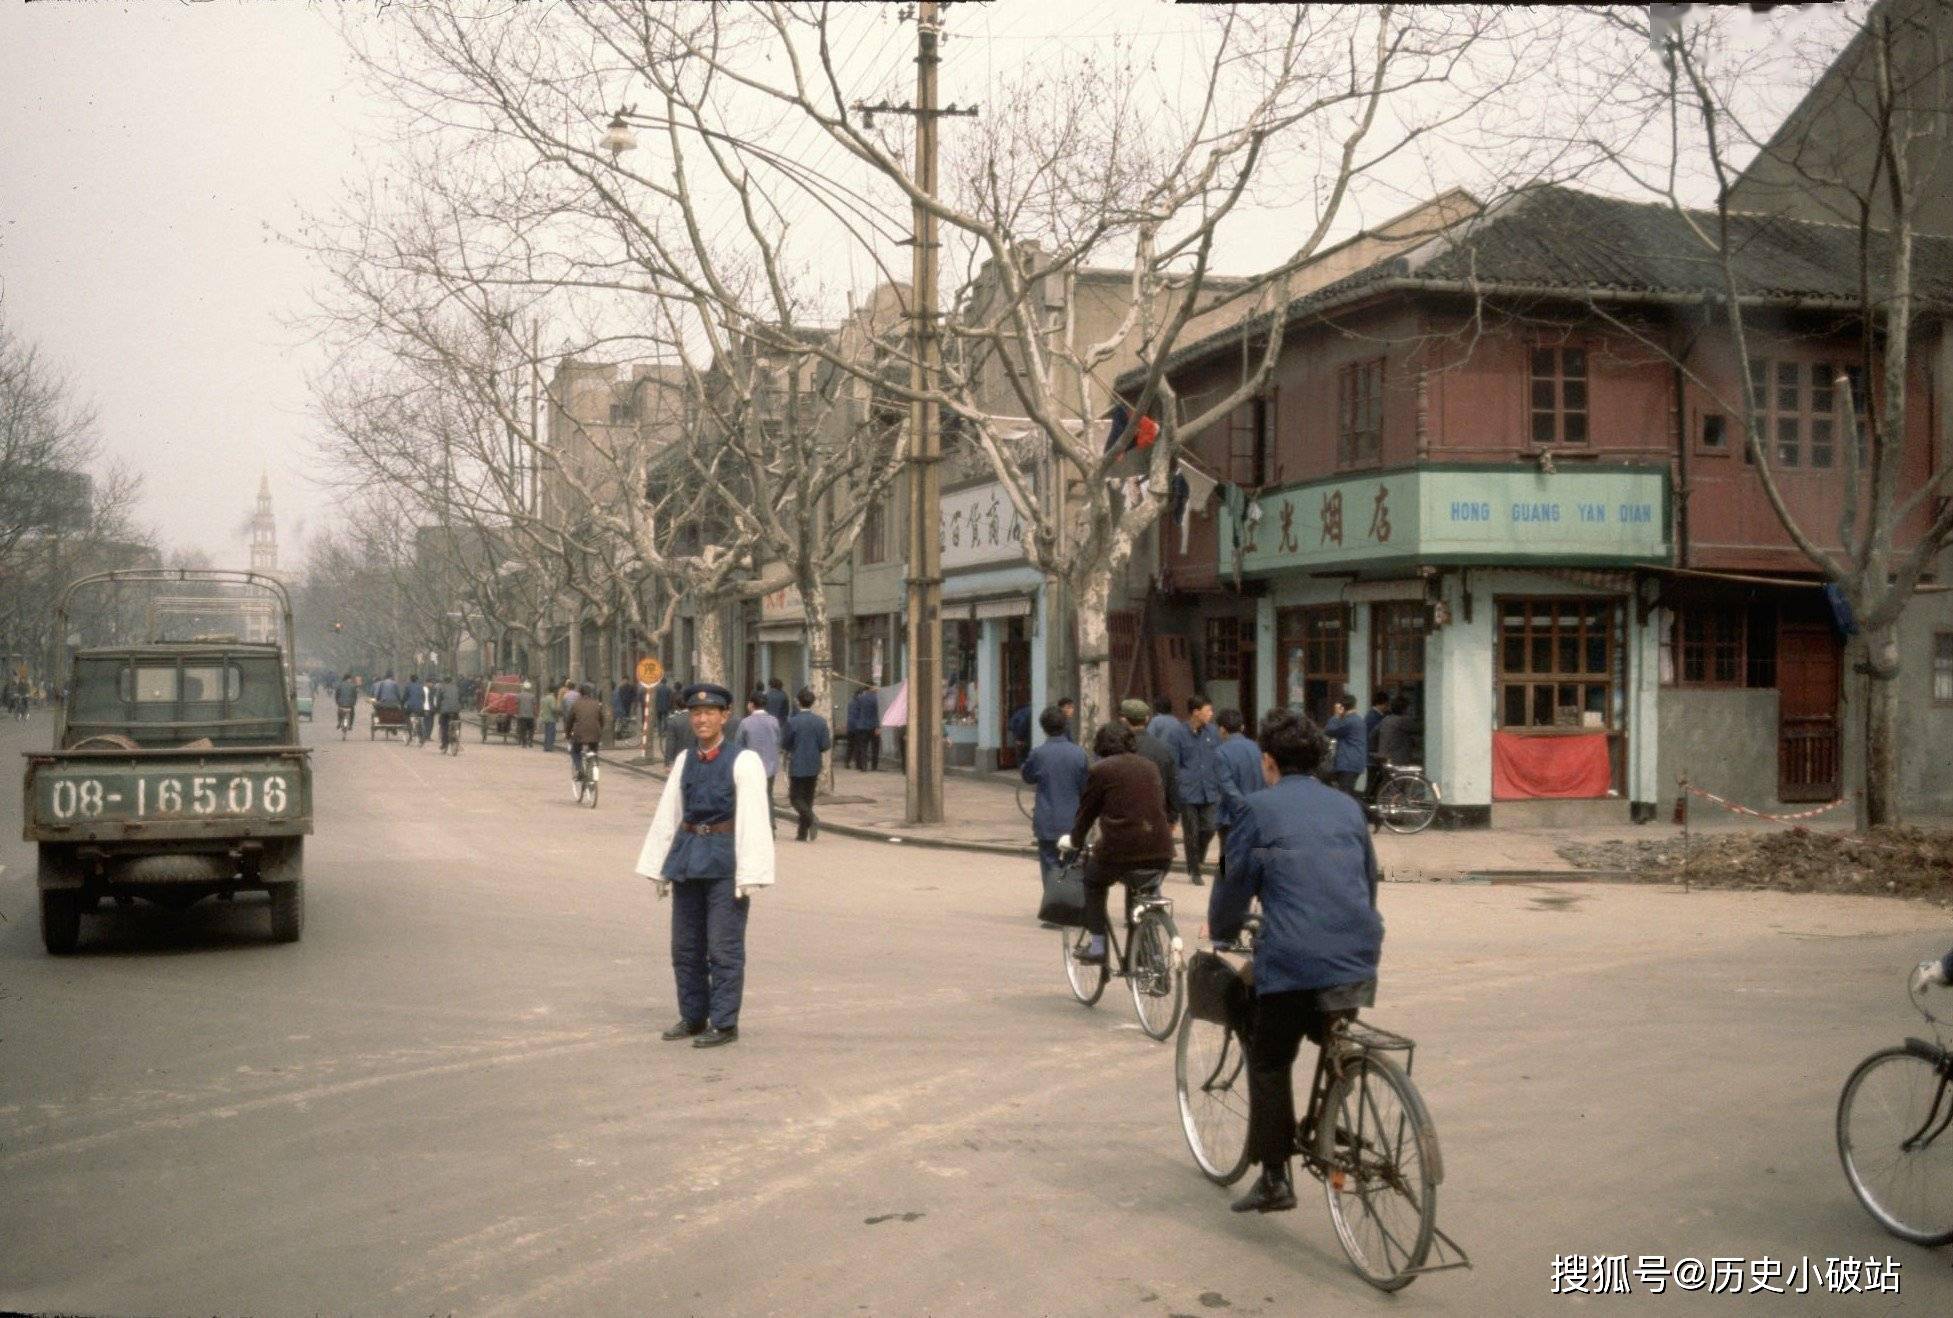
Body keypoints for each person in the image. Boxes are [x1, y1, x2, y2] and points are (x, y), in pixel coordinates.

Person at [1211, 707, 1384, 1215]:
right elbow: (1368, 882)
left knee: (1269, 1056)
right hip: (1358, 952)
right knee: (1327, 1028)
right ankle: (1330, 1117)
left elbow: (1231, 883)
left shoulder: (1254, 811)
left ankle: (1274, 1177)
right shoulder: (1348, 808)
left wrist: (1222, 930)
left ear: (1269, 762)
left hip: (1292, 957)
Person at [635, 683, 776, 1048]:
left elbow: (754, 818)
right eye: (696, 713)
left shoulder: (744, 761)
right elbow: (671, 812)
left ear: (724, 717)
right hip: (688, 858)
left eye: (709, 713)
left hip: (725, 863)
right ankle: (693, 1015)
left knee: (722, 947)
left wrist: (750, 874)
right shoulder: (685, 760)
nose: (701, 719)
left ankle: (725, 1022)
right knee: (685, 946)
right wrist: (660, 865)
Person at [1067, 721, 1175, 965]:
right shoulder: (1150, 766)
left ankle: (1097, 946)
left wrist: (1074, 840)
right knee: (1142, 892)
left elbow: (1087, 813)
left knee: (1093, 882)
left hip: (1120, 853)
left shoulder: (1101, 770)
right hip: (1162, 851)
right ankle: (1148, 952)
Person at [1021, 705, 1089, 882]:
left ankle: (1053, 903)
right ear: (1065, 725)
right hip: (1073, 821)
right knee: (1072, 867)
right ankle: (1070, 903)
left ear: (1043, 728)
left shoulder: (1038, 754)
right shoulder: (1079, 754)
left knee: (1050, 867)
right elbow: (1085, 787)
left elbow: (1027, 776)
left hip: (1047, 821)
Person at [1167, 694, 1222, 886]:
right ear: (1196, 712)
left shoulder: (1213, 733)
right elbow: (1174, 763)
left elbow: (1218, 759)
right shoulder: (1177, 734)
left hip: (1210, 789)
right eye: (1208, 710)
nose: (1211, 714)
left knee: (1209, 828)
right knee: (1191, 831)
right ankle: (1194, 869)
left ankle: (1198, 859)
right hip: (1188, 791)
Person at [1213, 707, 1263, 879]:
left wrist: (1241, 807)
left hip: (1231, 816)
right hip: (1256, 812)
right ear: (1242, 727)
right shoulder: (1257, 748)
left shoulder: (1221, 752)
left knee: (1226, 859)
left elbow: (1227, 786)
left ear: (1222, 729)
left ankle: (1224, 885)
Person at [782, 686, 832, 841]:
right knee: (808, 798)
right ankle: (802, 834)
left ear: (798, 702)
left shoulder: (793, 722)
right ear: (813, 703)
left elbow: (786, 743)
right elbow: (825, 745)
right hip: (814, 763)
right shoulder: (820, 722)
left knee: (795, 798)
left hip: (797, 763)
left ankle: (811, 818)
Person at [1121, 698, 1180, 817]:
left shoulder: (1119, 748)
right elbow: (1171, 785)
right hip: (1156, 811)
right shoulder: (1162, 749)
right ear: (1146, 719)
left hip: (1126, 814)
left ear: (1124, 720)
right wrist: (1173, 815)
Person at [734, 690, 782, 831]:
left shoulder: (745, 723)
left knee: (752, 797)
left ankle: (759, 825)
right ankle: (770, 822)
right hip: (771, 765)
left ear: (751, 705)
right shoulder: (774, 721)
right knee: (768, 794)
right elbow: (778, 741)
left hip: (752, 766)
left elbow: (738, 746)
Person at [1323, 691, 1369, 797]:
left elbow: (1329, 730)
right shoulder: (1357, 720)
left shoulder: (1349, 721)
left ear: (1342, 707)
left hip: (1348, 763)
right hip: (1354, 762)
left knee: (1345, 794)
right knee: (1347, 792)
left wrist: (1336, 715)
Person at [568, 680, 608, 782]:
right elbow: (602, 720)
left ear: (580, 693)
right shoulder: (597, 704)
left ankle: (580, 770)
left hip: (579, 734)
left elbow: (569, 721)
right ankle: (595, 764)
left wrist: (568, 734)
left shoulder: (576, 704)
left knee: (575, 751)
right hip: (595, 733)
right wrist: (600, 730)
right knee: (594, 750)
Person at [846, 685, 880, 771]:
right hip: (873, 726)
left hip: (862, 726)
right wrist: (877, 726)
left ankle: (863, 766)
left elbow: (855, 712)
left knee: (863, 747)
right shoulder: (876, 698)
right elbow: (877, 713)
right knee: (875, 747)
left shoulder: (860, 699)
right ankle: (874, 766)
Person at [664, 700, 695, 766]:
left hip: (679, 757)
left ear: (676, 705)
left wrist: (667, 762)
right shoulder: (696, 718)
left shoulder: (673, 720)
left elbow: (670, 743)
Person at [437, 674, 462, 750]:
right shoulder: (456, 688)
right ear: (451, 681)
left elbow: (438, 699)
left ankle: (444, 743)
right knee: (457, 723)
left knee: (443, 725)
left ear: (444, 681)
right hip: (455, 710)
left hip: (445, 711)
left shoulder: (441, 688)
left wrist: (438, 708)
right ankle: (456, 737)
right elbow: (459, 698)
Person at [515, 680, 538, 748]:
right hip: (530, 716)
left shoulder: (519, 695)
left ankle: (524, 744)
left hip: (522, 716)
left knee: (523, 730)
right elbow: (534, 706)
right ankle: (530, 742)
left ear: (523, 688)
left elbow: (516, 704)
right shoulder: (532, 696)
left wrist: (517, 712)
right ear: (529, 688)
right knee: (531, 729)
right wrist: (535, 714)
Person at [540, 681, 560, 754]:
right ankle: (549, 747)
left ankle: (546, 746)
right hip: (551, 718)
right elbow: (553, 708)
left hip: (545, 717)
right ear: (554, 690)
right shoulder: (552, 698)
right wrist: (559, 711)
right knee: (551, 733)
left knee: (547, 733)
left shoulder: (545, 697)